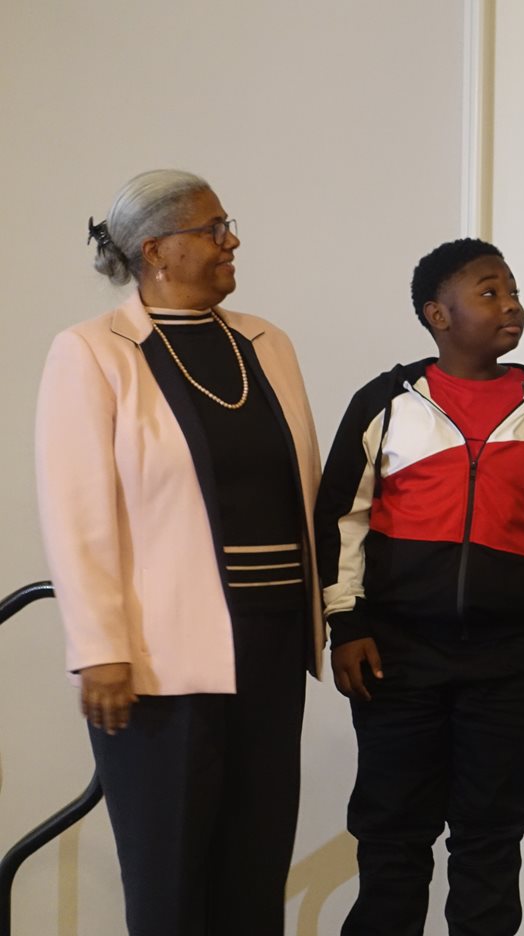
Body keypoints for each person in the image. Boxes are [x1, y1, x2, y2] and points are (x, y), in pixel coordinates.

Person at [34, 169, 324, 936]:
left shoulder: (268, 343)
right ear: (156, 251)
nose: (232, 241)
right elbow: (76, 513)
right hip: (160, 661)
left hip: (270, 642)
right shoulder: (92, 353)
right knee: (169, 883)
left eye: (229, 224)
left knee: (255, 872)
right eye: (214, 228)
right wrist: (100, 649)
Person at [315, 238, 524, 936]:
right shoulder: (388, 403)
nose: (511, 304)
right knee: (393, 841)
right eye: (489, 292)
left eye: (514, 290)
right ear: (438, 314)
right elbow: (341, 518)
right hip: (396, 658)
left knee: (490, 842)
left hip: (507, 661)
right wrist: (347, 625)